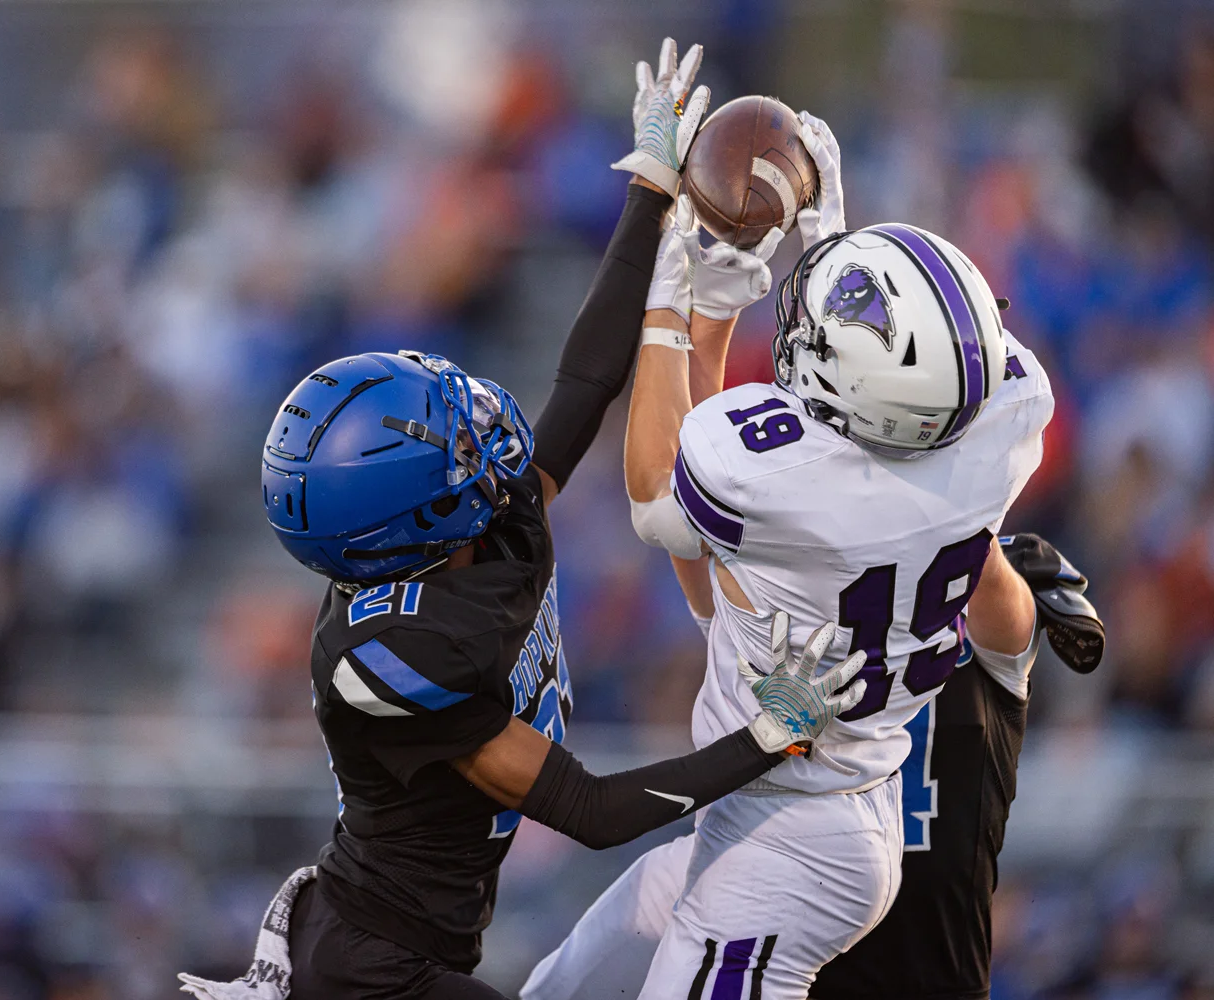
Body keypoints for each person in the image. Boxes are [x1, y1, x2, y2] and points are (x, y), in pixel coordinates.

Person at [178, 41, 867, 1000]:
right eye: (443, 440)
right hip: (372, 971)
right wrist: (768, 736)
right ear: (409, 522)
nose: (474, 430)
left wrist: (651, 194)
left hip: (414, 939)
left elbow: (582, 387)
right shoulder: (393, 657)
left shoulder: (467, 531)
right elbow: (588, 808)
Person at [586, 109, 1053, 999]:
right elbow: (890, 404)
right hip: (838, 811)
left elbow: (660, 498)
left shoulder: (792, 501)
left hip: (795, 834)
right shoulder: (998, 435)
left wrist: (674, 301)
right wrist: (827, 250)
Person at [520, 534, 1104, 1000]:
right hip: (807, 943)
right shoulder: (808, 646)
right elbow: (687, 537)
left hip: (892, 961)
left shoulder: (983, 659)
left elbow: (986, 578)